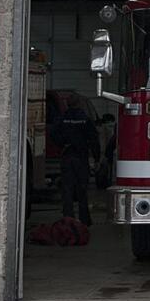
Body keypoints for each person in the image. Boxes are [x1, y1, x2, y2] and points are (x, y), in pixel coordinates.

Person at [49, 92, 101, 227]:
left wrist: (62, 144)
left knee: (67, 190)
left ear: (67, 104)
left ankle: (68, 219)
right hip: (81, 157)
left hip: (67, 156)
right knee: (82, 189)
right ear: (79, 103)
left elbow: (53, 133)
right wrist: (96, 158)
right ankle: (85, 220)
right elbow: (94, 139)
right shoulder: (85, 119)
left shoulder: (62, 118)